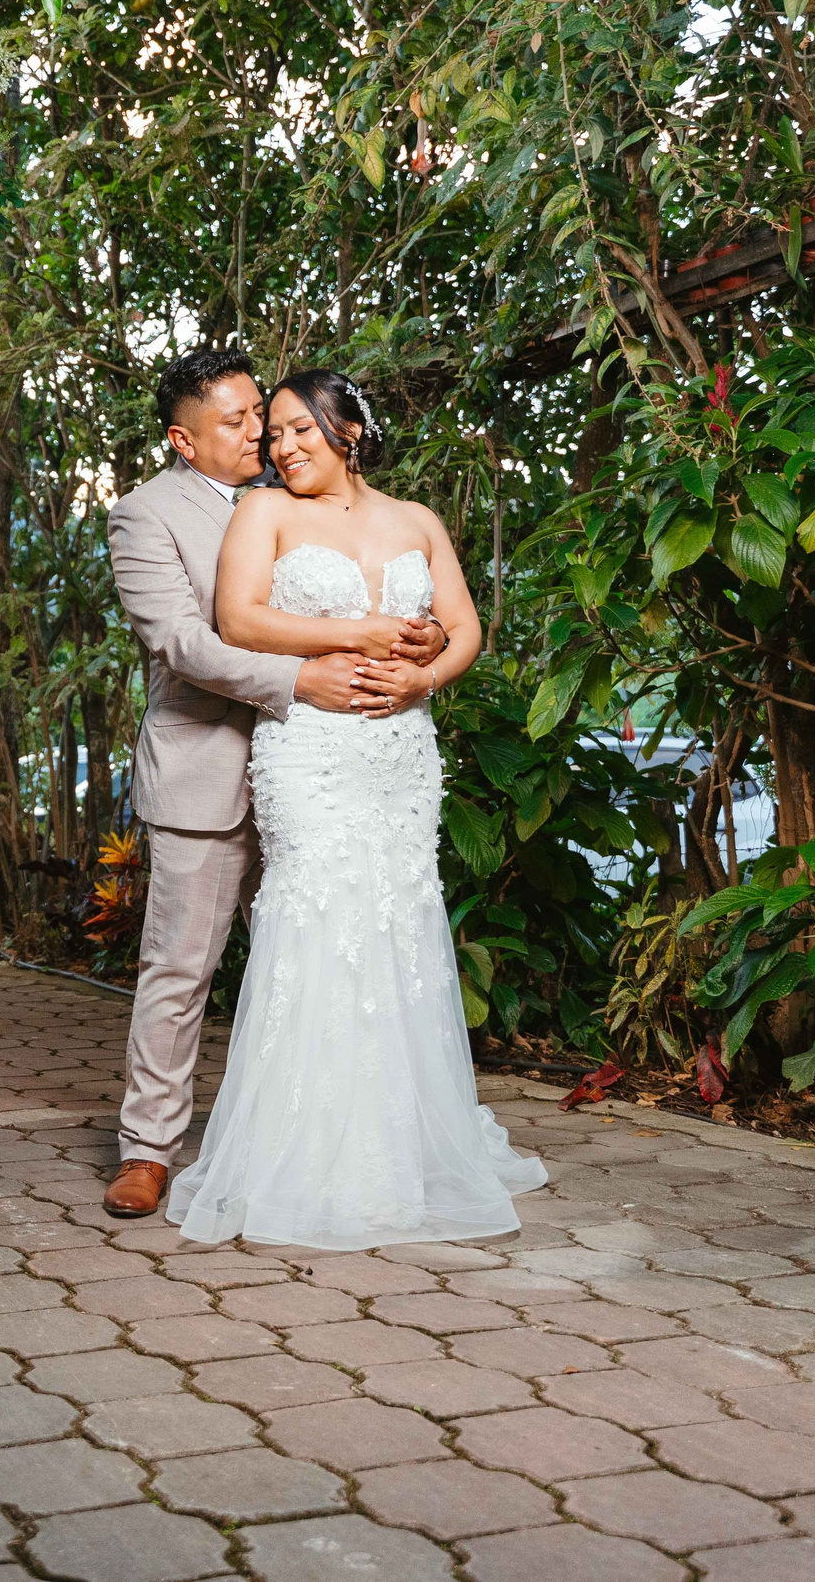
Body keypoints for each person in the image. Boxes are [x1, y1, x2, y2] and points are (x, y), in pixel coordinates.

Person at [164, 368, 546, 1249]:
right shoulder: (265, 514)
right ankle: (302, 1154)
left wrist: (424, 672)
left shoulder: (417, 521)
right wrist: (360, 634)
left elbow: (466, 627)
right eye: (277, 434)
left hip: (401, 753)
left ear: (353, 431)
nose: (284, 446)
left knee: (399, 919)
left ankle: (402, 1144)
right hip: (312, 750)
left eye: (302, 429)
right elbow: (237, 619)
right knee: (317, 912)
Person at [100, 349, 448, 1221]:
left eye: (264, 412)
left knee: (328, 957)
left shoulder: (306, 492)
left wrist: (420, 641)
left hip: (325, 767)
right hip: (211, 763)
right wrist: (300, 680)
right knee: (181, 966)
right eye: (237, 419)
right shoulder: (144, 516)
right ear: (183, 440)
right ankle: (148, 1149)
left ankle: (325, 1140)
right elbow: (184, 643)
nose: (261, 431)